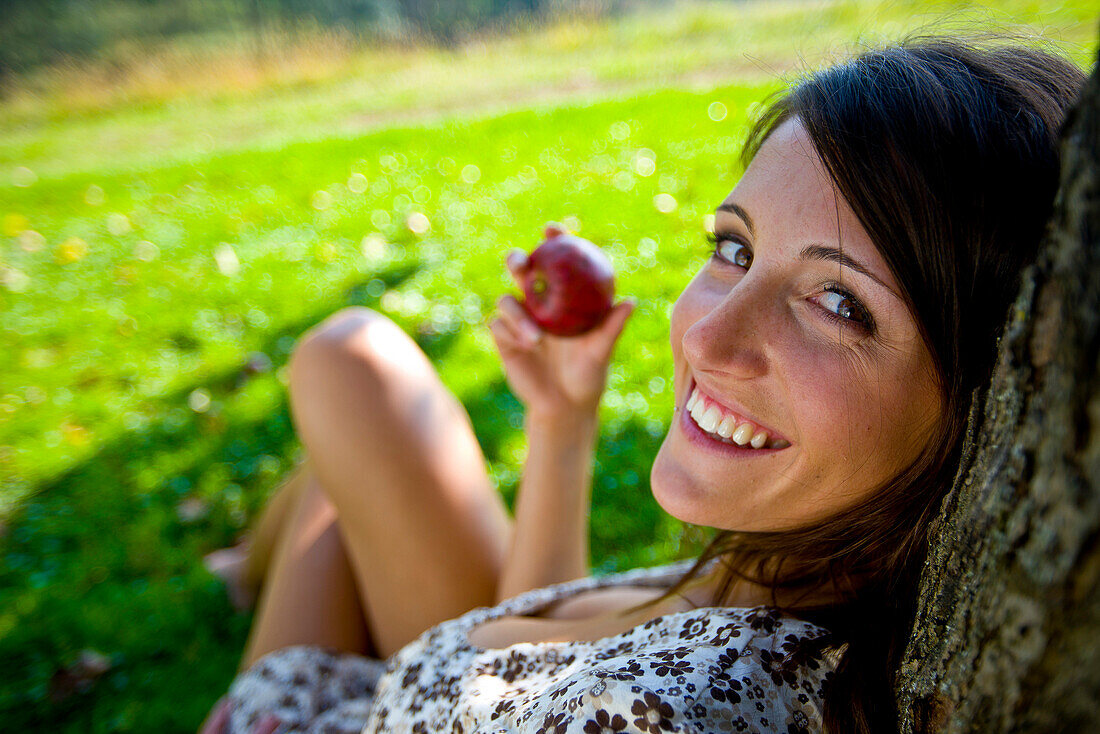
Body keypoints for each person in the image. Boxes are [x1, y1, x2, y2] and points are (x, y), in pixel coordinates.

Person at [200, 37, 1085, 734]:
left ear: (989, 393)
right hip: (426, 684)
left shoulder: (660, 713)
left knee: (342, 399)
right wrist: (560, 420)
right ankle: (247, 565)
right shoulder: (789, 555)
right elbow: (519, 666)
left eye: (839, 303)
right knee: (346, 390)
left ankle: (248, 569)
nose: (707, 333)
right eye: (735, 247)